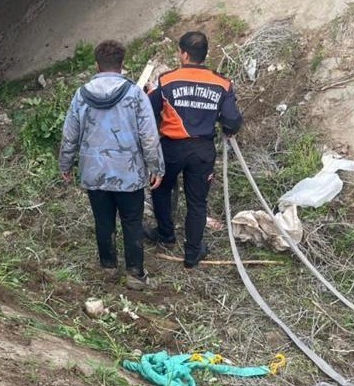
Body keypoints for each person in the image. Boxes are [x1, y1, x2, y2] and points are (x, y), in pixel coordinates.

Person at [59, 40, 164, 290]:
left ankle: (108, 267)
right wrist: (156, 167)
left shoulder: (81, 95)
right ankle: (135, 275)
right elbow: (149, 136)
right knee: (132, 222)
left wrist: (65, 164)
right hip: (129, 174)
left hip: (94, 173)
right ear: (122, 65)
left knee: (103, 220)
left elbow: (69, 135)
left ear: (97, 65)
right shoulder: (135, 94)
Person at [146, 30, 243, 268]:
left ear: (184, 54)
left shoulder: (167, 80)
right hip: (202, 150)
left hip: (170, 147)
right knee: (197, 202)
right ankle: (192, 253)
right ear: (204, 55)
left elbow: (148, 111)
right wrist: (225, 126)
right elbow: (232, 121)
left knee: (160, 190)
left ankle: (166, 235)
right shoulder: (222, 83)